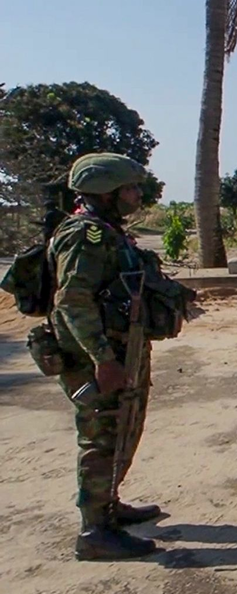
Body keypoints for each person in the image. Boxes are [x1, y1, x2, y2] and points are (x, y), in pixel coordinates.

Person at [48, 153, 162, 560]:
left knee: (123, 427)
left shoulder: (108, 230)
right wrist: (102, 358)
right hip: (99, 355)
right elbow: (72, 301)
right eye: (129, 188)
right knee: (101, 435)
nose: (136, 194)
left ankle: (109, 505)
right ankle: (94, 531)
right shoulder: (84, 236)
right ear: (107, 193)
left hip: (120, 347)